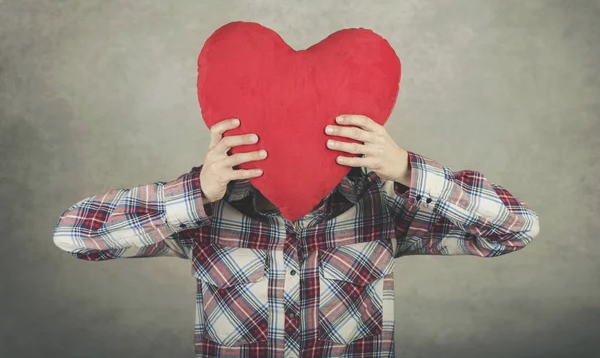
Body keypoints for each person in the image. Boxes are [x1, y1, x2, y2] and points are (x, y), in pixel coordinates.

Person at [53, 114, 540, 358]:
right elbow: (75, 235)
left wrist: (409, 170)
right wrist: (196, 190)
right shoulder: (202, 216)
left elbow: (515, 229)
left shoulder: (384, 210)